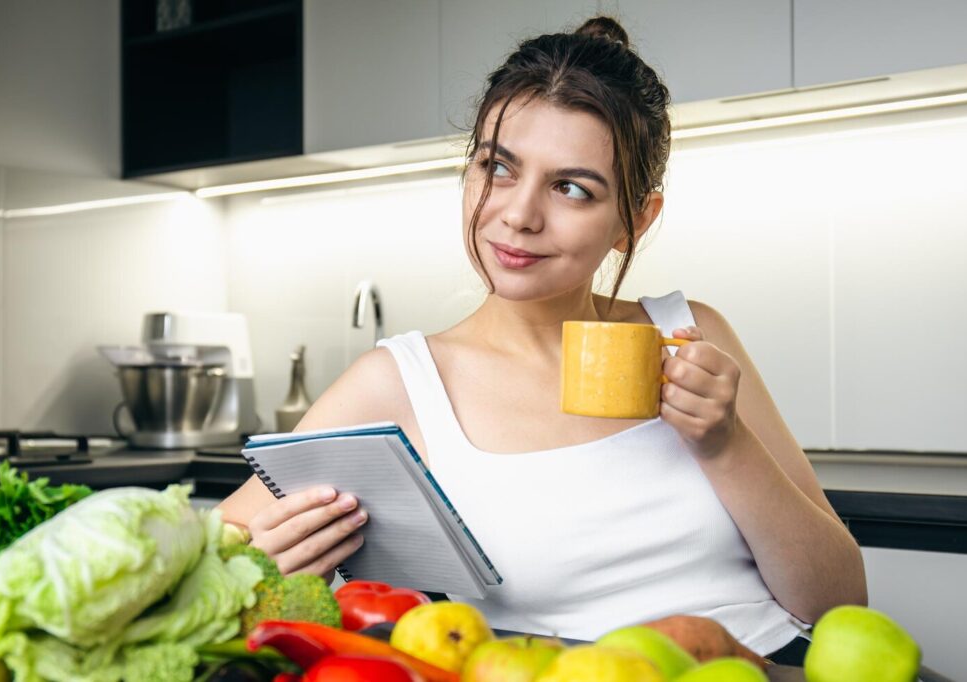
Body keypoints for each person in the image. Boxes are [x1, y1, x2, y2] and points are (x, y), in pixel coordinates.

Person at [217, 16, 867, 662]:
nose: (519, 215)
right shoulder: (399, 382)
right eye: (497, 167)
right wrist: (261, 568)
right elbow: (221, 554)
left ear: (635, 218)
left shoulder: (689, 333)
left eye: (570, 188)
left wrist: (725, 442)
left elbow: (838, 605)